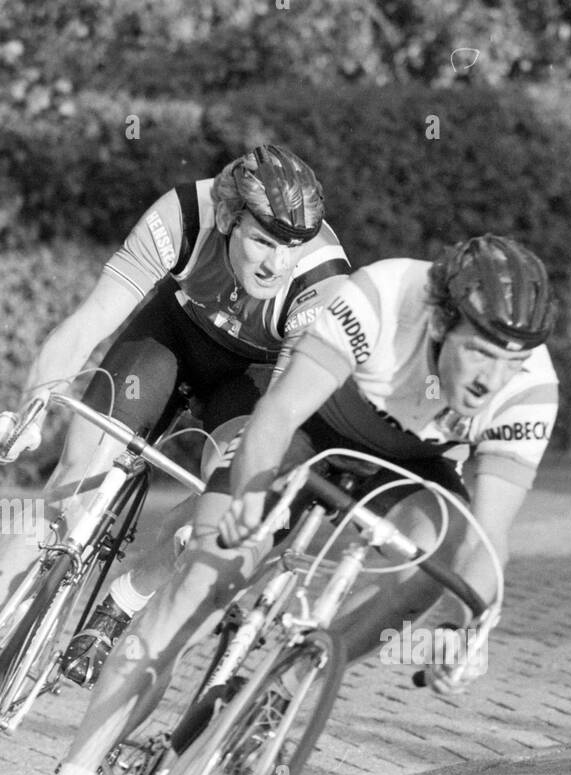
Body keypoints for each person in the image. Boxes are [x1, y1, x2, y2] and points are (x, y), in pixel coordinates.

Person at [8, 235, 559, 775]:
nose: (492, 379)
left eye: (509, 363)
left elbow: (488, 538)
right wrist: (246, 500)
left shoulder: (528, 392)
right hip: (310, 431)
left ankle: (292, 682)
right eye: (479, 354)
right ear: (439, 322)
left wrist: (470, 629)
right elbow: (277, 413)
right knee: (201, 584)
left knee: (444, 544)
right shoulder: (383, 297)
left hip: (418, 469)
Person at [0, 144, 350, 682]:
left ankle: (124, 599)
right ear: (230, 220)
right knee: (72, 487)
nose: (276, 264)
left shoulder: (321, 283)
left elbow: (279, 414)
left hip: (254, 377)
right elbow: (89, 322)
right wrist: (34, 408)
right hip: (172, 338)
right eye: (261, 242)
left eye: (290, 248)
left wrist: (240, 496)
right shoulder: (184, 215)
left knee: (215, 506)